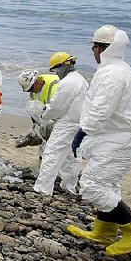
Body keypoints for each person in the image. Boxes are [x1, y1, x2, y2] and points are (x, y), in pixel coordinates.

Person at [67, 25, 131, 256]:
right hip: (114, 136)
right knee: (106, 183)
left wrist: (82, 132)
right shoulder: (120, 69)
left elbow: (101, 109)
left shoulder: (112, 73)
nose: (93, 49)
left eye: (96, 46)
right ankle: (104, 232)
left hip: (120, 138)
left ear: (104, 48)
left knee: (93, 185)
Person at [32, 52, 87, 196]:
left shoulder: (68, 83)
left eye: (56, 69)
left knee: (52, 154)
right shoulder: (81, 79)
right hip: (80, 123)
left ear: (62, 66)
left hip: (67, 124)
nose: (56, 73)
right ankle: (68, 186)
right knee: (73, 156)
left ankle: (43, 189)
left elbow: (57, 107)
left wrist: (45, 113)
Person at [15, 69, 60, 149]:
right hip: (48, 113)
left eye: (31, 89)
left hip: (61, 113)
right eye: (28, 90)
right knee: (31, 106)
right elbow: (35, 111)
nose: (31, 92)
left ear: (36, 81)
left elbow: (57, 110)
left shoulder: (55, 86)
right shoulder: (34, 91)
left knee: (55, 144)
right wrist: (35, 128)